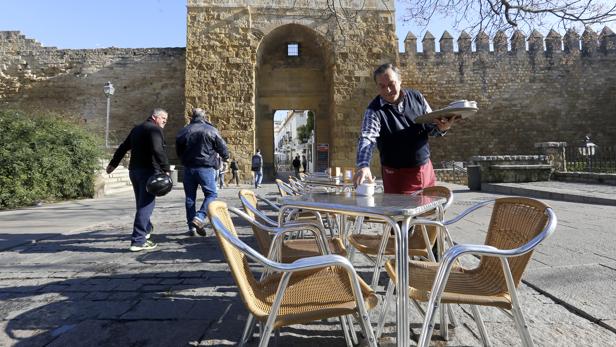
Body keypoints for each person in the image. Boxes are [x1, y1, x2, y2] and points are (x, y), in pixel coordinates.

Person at [354, 63, 456, 194]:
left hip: (425, 169)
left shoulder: (417, 97)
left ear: (400, 80)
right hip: (396, 176)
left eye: (391, 84)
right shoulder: (374, 110)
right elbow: (367, 137)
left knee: (430, 211)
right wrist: (363, 165)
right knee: (400, 213)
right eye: (382, 86)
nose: (388, 90)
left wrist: (443, 128)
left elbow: (431, 127)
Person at [106, 108, 170, 252]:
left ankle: (146, 228)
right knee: (146, 206)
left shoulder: (137, 129)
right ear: (155, 117)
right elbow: (158, 150)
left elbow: (123, 147)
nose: (165, 121)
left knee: (141, 204)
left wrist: (113, 164)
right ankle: (138, 241)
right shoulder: (154, 129)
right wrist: (166, 168)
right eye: (163, 118)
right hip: (148, 172)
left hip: (134, 171)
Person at [176, 108, 228, 236]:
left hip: (188, 168)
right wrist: (225, 158)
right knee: (211, 194)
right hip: (205, 167)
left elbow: (178, 149)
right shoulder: (211, 130)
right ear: (204, 117)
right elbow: (222, 146)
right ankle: (199, 217)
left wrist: (184, 159)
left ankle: (191, 227)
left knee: (190, 197)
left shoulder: (184, 131)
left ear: (191, 117)